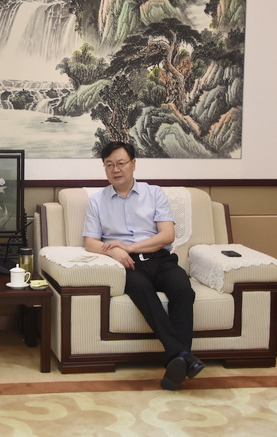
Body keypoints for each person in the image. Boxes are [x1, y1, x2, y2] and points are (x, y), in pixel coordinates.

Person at [83, 141, 205, 390]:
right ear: (104, 168)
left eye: (121, 163)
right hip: (129, 266)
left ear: (133, 164)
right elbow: (90, 242)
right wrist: (115, 251)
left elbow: (167, 235)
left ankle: (178, 358)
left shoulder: (154, 193)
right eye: (109, 165)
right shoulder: (97, 201)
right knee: (142, 290)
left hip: (160, 260)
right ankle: (183, 358)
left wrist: (130, 247)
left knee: (183, 289)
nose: (115, 170)